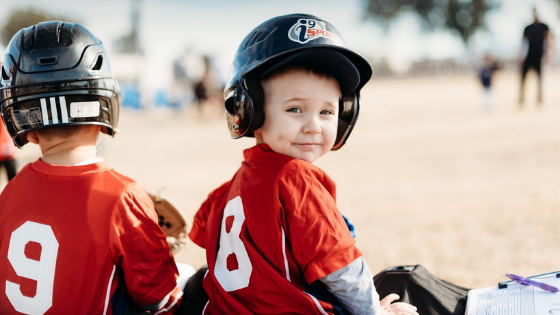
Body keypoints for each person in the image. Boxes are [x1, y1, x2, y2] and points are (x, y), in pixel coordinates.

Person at [188, 14, 418, 315]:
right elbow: (344, 273)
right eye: (295, 109)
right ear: (250, 111)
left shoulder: (223, 192)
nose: (313, 126)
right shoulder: (296, 179)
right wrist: (376, 311)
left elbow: (203, 234)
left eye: (326, 112)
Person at [0, 21, 182, 315]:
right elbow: (159, 297)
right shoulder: (123, 197)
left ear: (25, 127)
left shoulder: (10, 192)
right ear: (105, 107)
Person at [519, 7, 555, 106]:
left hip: (539, 56)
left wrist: (549, 53)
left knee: (539, 79)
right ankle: (521, 98)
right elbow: (523, 43)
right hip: (529, 55)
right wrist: (521, 55)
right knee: (523, 77)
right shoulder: (528, 28)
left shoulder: (544, 27)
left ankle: (539, 98)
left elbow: (549, 39)